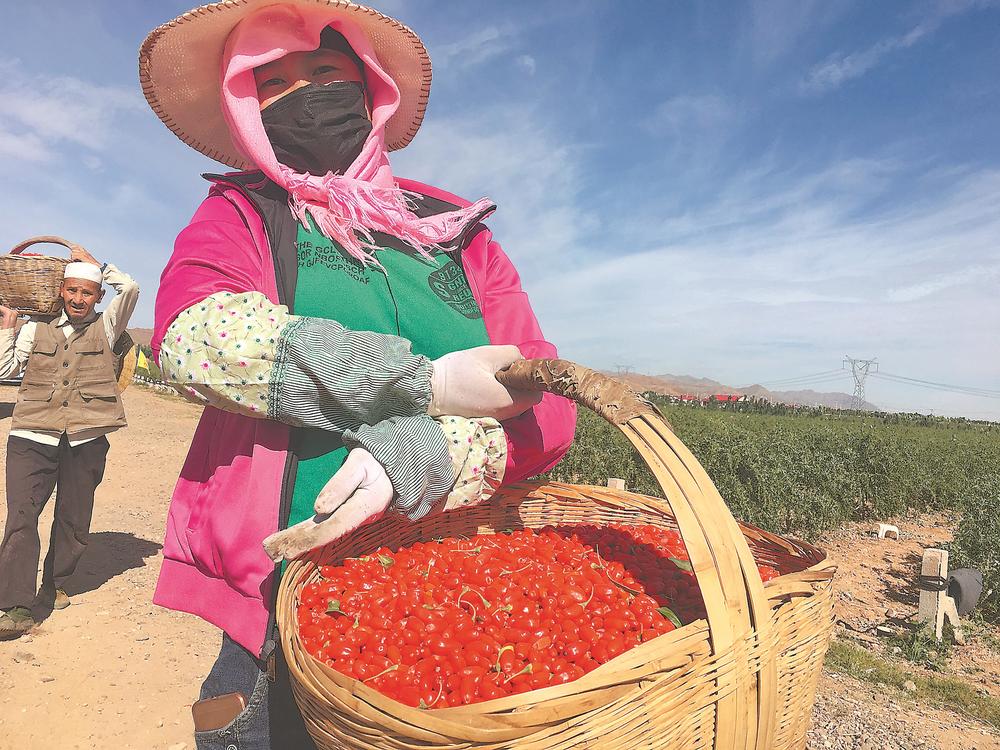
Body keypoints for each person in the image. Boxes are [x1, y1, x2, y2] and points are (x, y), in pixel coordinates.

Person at [139, 1, 576, 747]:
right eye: (270, 81)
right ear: (245, 106)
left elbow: (553, 401)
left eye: (324, 71)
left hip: (454, 576)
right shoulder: (243, 214)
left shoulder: (452, 230)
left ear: (367, 86)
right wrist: (425, 385)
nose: (302, 93)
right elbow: (197, 336)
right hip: (282, 591)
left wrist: (431, 452)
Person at [0, 249, 139, 639]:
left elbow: (129, 288)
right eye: (73, 290)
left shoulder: (108, 327)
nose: (79, 299)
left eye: (89, 293)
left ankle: (55, 582)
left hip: (87, 438)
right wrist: (7, 326)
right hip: (31, 436)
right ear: (60, 290)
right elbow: (5, 370)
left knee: (74, 518)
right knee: (21, 518)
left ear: (98, 297)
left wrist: (97, 262)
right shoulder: (33, 328)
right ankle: (14, 605)